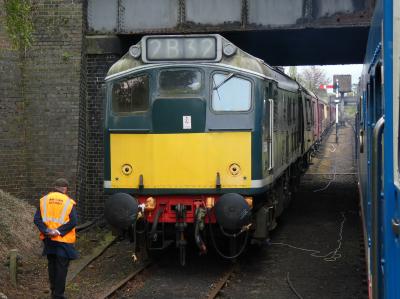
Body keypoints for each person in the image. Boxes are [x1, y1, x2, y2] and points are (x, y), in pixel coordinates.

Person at [34, 178, 78, 299]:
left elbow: (37, 219)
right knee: (61, 268)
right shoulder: (69, 202)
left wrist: (47, 230)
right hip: (63, 240)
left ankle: (54, 291)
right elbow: (73, 221)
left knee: (52, 264)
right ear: (65, 189)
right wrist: (58, 231)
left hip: (48, 239)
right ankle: (58, 295)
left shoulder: (44, 200)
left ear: (54, 187)